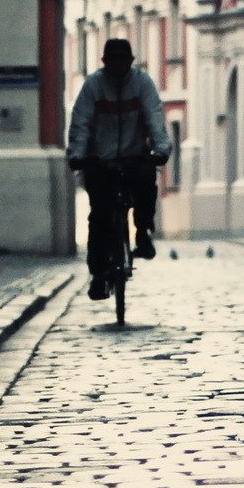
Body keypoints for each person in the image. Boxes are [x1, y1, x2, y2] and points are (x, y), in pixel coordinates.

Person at [66, 37, 171, 301]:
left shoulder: (142, 83)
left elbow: (154, 117)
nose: (117, 65)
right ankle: (98, 275)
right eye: (112, 61)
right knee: (99, 217)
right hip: (100, 160)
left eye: (122, 61)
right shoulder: (93, 86)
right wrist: (77, 154)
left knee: (146, 186)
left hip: (134, 155)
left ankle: (143, 232)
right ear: (104, 62)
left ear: (131, 61)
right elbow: (81, 122)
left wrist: (160, 149)